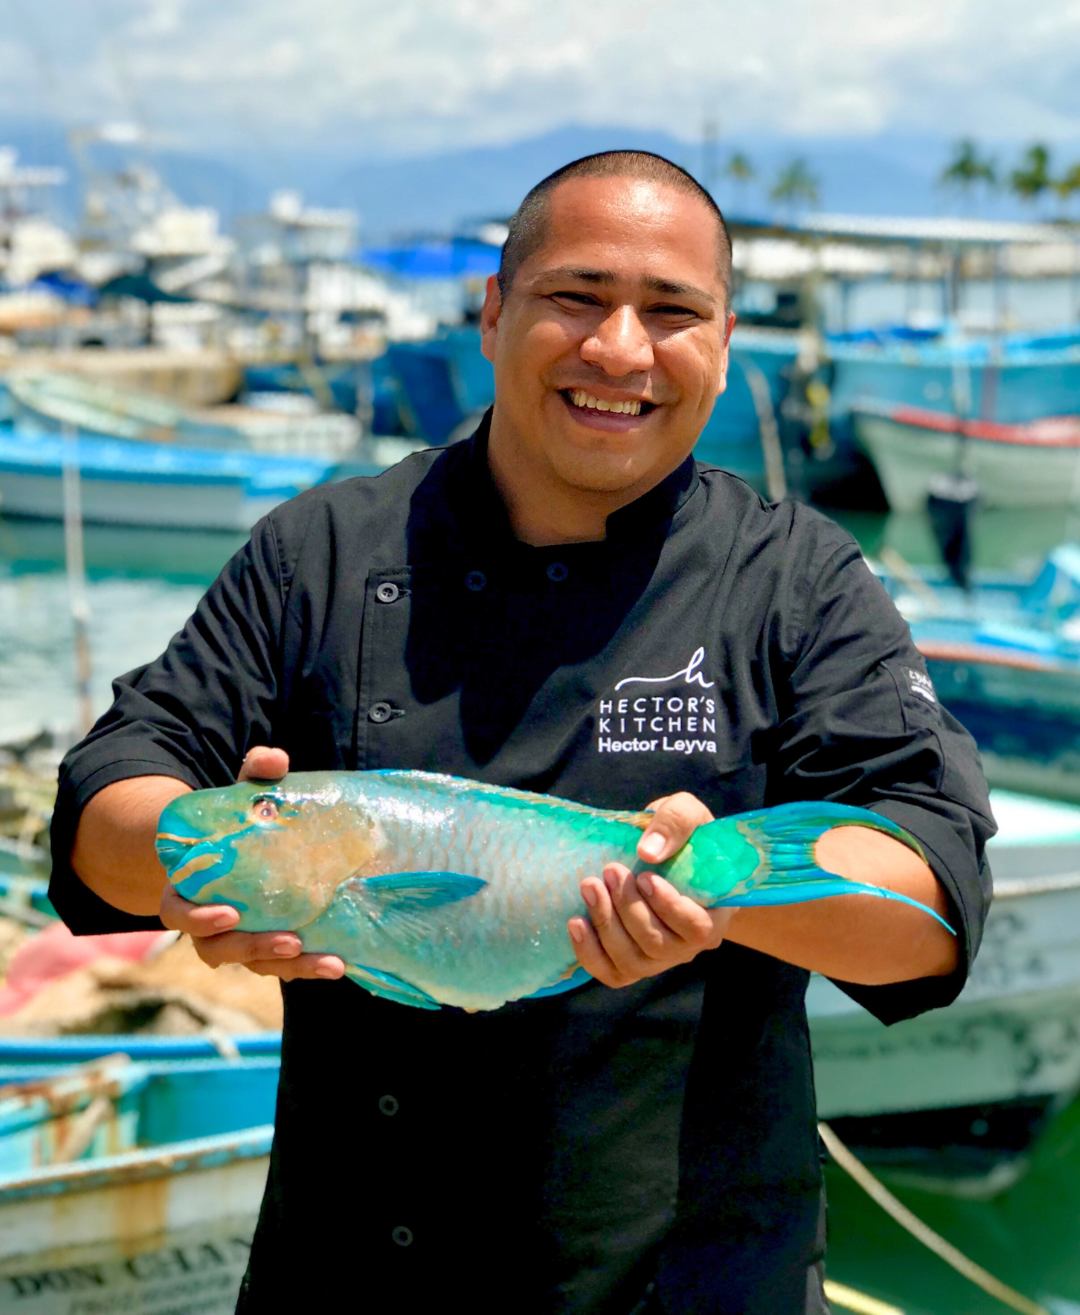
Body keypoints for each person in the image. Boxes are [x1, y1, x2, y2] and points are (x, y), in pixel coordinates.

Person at [50, 151, 994, 1315]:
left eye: (672, 312)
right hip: (349, 1279)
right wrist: (216, 875)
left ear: (726, 340)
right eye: (577, 297)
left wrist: (718, 891)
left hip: (690, 1282)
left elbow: (932, 895)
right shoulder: (323, 550)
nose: (620, 350)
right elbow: (111, 794)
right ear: (493, 311)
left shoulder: (797, 579)